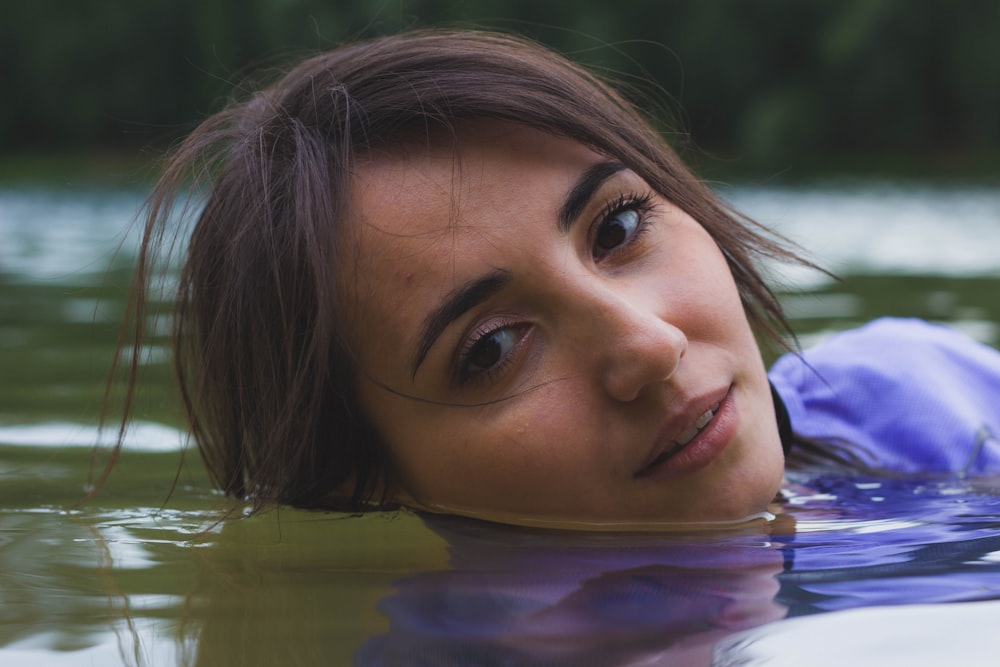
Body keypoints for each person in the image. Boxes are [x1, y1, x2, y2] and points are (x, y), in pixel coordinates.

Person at [110, 28, 1000, 529]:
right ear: (362, 482)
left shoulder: (925, 400)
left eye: (617, 225)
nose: (650, 345)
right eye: (491, 349)